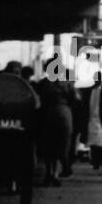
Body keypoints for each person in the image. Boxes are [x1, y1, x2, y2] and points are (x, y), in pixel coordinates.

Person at [34, 55, 75, 187]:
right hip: (64, 114)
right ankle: (56, 173)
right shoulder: (67, 83)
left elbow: (37, 100)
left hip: (47, 114)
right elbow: (75, 99)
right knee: (61, 144)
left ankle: (48, 174)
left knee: (48, 145)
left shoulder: (43, 84)